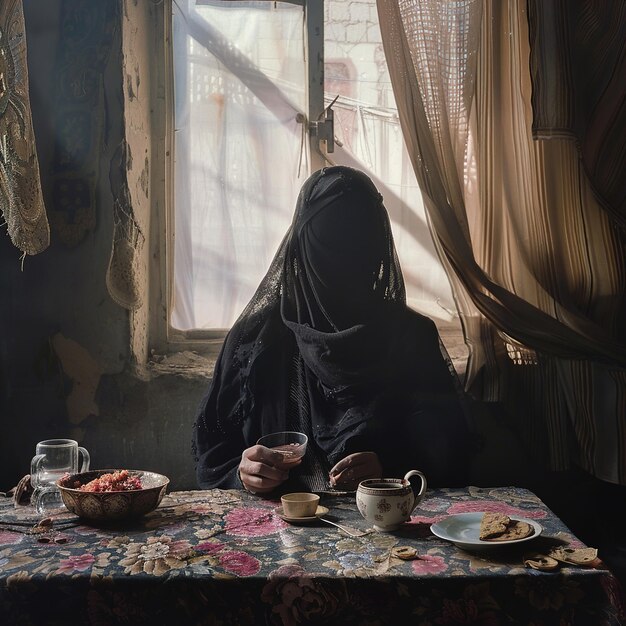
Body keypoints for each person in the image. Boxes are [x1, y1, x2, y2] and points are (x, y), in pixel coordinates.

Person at [192, 165, 471, 494]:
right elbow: (211, 453)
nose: (343, 264)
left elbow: (452, 449)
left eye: (358, 244)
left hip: (389, 529)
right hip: (274, 531)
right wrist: (244, 471)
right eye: (331, 243)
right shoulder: (256, 342)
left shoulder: (410, 338)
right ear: (305, 246)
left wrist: (390, 466)